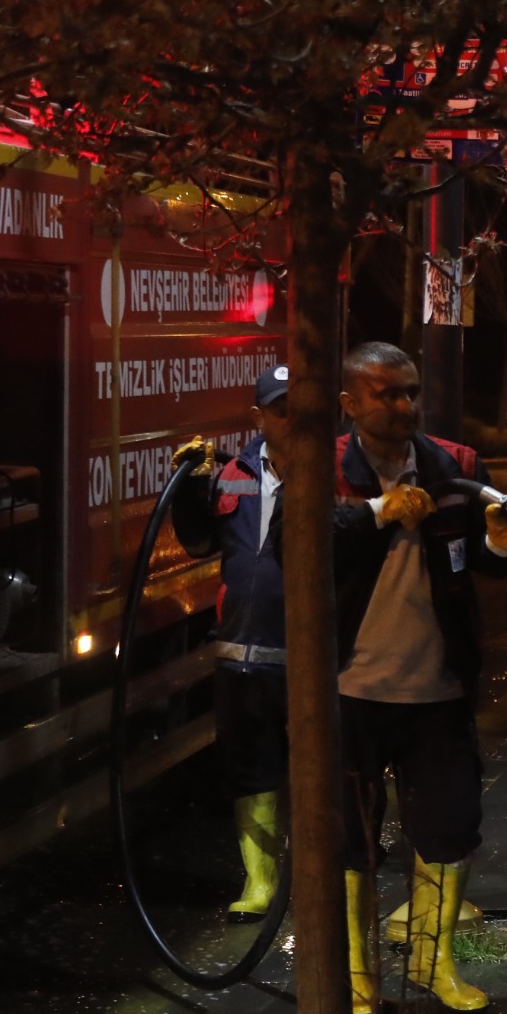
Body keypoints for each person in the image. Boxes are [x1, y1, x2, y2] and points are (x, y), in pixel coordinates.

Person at [333, 342, 507, 1014]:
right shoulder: (327, 469)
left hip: (438, 693)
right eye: (386, 394)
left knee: (451, 828)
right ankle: (354, 972)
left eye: (411, 392)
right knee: (349, 839)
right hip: (349, 693)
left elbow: (487, 561)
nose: (404, 406)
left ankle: (430, 958)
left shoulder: (456, 467)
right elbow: (292, 542)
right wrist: (376, 512)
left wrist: (503, 541)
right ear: (350, 403)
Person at [169, 366, 292, 924]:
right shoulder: (233, 475)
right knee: (251, 767)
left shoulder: (332, 470)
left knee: (325, 767)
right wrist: (190, 490)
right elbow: (199, 544)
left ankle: (321, 873)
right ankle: (260, 880)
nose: (292, 420)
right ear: (259, 416)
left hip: (313, 657)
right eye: (281, 409)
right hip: (244, 653)